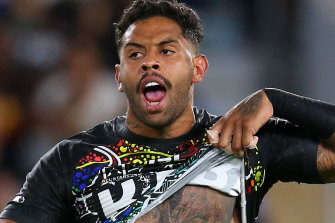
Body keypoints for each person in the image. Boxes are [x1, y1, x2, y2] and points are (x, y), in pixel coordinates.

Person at [1, 0, 335, 222]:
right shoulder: (71, 159)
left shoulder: (242, 142)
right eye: (135, 54)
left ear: (198, 70)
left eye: (167, 50)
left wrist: (276, 99)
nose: (149, 61)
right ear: (119, 76)